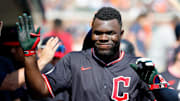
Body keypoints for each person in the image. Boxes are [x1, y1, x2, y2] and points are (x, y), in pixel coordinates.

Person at [16, 7, 178, 101]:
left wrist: (155, 83)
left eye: (110, 33)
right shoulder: (74, 61)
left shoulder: (138, 64)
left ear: (121, 34)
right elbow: (39, 91)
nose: (104, 38)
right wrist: (29, 54)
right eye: (98, 33)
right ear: (91, 33)